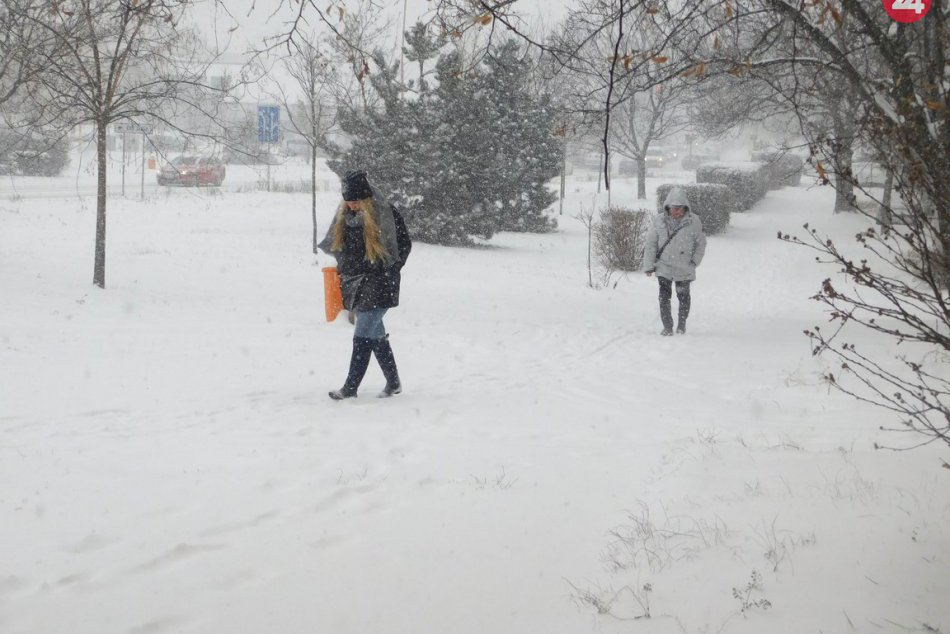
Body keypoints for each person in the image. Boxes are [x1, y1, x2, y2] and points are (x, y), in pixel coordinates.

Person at [319, 170, 412, 399]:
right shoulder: (345, 219)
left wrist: (390, 269)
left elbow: (404, 245)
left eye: (356, 201)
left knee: (362, 334)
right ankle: (394, 383)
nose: (351, 206)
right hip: (357, 283)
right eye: (348, 201)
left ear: (366, 199)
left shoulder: (385, 215)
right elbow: (343, 249)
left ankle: (350, 388)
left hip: (381, 282)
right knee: (376, 334)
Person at [642, 187, 706, 336]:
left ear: (685, 208)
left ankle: (682, 324)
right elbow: (651, 243)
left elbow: (701, 243)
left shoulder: (694, 221)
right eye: (673, 208)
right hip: (664, 265)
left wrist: (694, 262)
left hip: (684, 267)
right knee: (664, 297)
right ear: (667, 207)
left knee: (683, 297)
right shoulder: (659, 221)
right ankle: (668, 327)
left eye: (679, 208)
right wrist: (649, 265)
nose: (676, 211)